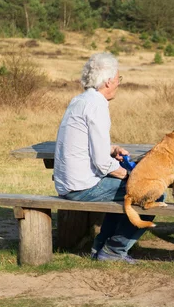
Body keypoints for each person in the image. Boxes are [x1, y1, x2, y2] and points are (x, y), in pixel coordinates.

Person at [53, 52, 163, 264]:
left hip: (69, 183)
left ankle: (100, 246)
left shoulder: (80, 100)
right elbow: (102, 164)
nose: (119, 84)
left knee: (123, 192)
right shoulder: (97, 105)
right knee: (153, 194)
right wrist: (131, 175)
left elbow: (88, 144)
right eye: (118, 79)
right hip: (80, 187)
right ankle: (114, 250)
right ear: (108, 81)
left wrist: (111, 149)